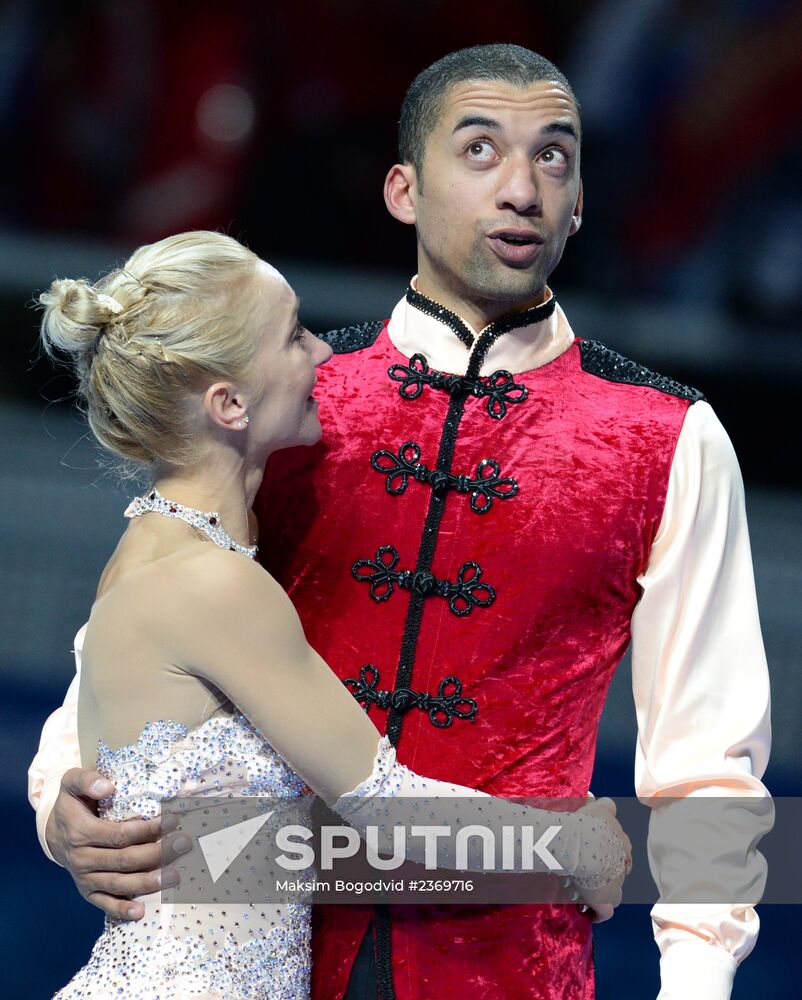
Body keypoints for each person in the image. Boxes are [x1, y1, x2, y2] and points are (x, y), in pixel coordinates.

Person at [29, 44, 770, 1000]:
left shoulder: (670, 437)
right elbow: (126, 637)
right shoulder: (288, 401)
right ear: (402, 190)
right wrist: (63, 804)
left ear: (581, 199)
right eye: (480, 150)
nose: (522, 187)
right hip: (279, 957)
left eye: (554, 156)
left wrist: (698, 985)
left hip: (511, 970)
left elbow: (709, 767)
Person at [33, 230, 628, 999]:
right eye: (292, 336)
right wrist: (573, 843)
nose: (321, 355)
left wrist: (55, 809)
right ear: (229, 403)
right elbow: (388, 808)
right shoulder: (212, 585)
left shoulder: (151, 545)